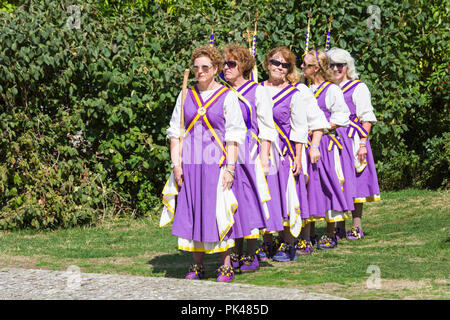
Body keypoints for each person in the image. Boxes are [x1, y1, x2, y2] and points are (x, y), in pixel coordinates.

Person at [162, 45, 246, 282]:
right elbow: (176, 133)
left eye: (205, 67)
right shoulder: (185, 95)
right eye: (196, 67)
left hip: (216, 164)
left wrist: (230, 168)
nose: (200, 72)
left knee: (219, 211)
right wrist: (176, 165)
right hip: (190, 165)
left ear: (216, 69)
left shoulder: (228, 96)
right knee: (192, 212)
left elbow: (233, 136)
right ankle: (196, 266)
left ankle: (226, 265)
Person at [257, 46, 324, 262]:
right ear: (267, 64)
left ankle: (289, 243)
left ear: (289, 69)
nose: (279, 67)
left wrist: (300, 154)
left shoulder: (297, 92)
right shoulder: (257, 89)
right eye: (275, 62)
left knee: (286, 196)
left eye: (284, 65)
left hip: (285, 152)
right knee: (266, 195)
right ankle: (267, 241)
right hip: (260, 150)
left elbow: (300, 126)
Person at [219, 45, 277, 273]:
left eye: (231, 64)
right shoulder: (220, 91)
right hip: (224, 152)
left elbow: (266, 126)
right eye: (224, 64)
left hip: (249, 153)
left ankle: (250, 252)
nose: (226, 68)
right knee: (229, 202)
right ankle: (233, 250)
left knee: (249, 202)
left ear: (243, 66)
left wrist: (264, 155)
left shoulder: (257, 91)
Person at [301, 49, 354, 250]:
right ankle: (311, 230)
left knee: (328, 184)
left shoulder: (332, 90)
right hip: (306, 143)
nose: (302, 68)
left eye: (306, 65)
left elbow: (342, 117)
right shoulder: (303, 89)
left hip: (325, 144)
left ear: (316, 68)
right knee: (309, 186)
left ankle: (331, 231)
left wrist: (320, 127)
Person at [327, 47, 381, 240]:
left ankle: (356, 225)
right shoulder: (327, 88)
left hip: (353, 140)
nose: (335, 69)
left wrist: (363, 143)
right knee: (336, 182)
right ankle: (337, 226)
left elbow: (367, 118)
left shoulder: (358, 87)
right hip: (332, 141)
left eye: (339, 65)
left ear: (347, 67)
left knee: (356, 182)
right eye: (331, 65)